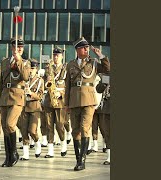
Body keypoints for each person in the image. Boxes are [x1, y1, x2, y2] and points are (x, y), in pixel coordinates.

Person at [64, 37, 110, 171]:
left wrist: (101, 56)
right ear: (78, 50)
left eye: (87, 47)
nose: (87, 49)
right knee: (75, 131)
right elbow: (67, 86)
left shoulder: (94, 62)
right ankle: (78, 159)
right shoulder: (71, 64)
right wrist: (66, 103)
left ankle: (82, 161)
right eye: (84, 47)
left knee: (84, 128)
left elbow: (107, 69)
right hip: (74, 100)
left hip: (89, 100)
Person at [0, 36, 31, 167]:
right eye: (16, 47)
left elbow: (26, 77)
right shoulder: (5, 62)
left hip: (17, 96)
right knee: (5, 127)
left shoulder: (26, 62)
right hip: (5, 96)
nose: (19, 49)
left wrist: (18, 62)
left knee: (10, 124)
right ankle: (8, 157)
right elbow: (1, 81)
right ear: (12, 48)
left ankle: (14, 153)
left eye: (21, 47)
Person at [43, 46, 68, 158]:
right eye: (54, 55)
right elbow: (43, 83)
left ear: (62, 56)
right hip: (49, 100)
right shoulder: (48, 69)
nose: (55, 57)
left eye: (57, 55)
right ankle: (50, 150)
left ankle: (63, 144)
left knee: (59, 125)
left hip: (60, 101)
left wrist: (61, 93)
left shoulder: (66, 69)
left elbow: (69, 86)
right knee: (49, 126)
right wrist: (46, 82)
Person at [19, 59, 44, 160]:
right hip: (24, 107)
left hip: (34, 107)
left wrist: (31, 94)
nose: (30, 70)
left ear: (36, 69)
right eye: (29, 68)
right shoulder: (24, 80)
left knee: (32, 130)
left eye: (32, 68)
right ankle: (26, 154)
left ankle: (37, 143)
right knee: (24, 130)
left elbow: (40, 95)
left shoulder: (39, 81)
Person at [95, 74, 111, 165]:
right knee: (107, 132)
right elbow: (99, 89)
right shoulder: (107, 76)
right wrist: (104, 83)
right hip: (107, 107)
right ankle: (109, 157)